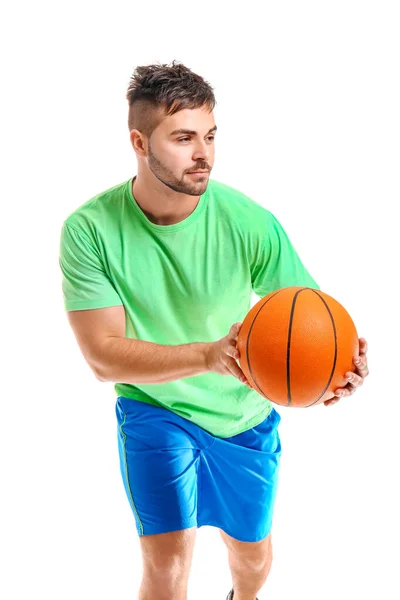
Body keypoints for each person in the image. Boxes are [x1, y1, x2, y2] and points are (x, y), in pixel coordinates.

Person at [59, 60, 369, 600]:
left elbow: (313, 318)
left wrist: (340, 367)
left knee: (252, 560)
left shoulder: (247, 221)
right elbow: (103, 358)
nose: (203, 154)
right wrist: (207, 355)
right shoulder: (90, 230)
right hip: (155, 410)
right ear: (139, 140)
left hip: (242, 415)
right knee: (166, 563)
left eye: (210, 135)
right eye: (183, 138)